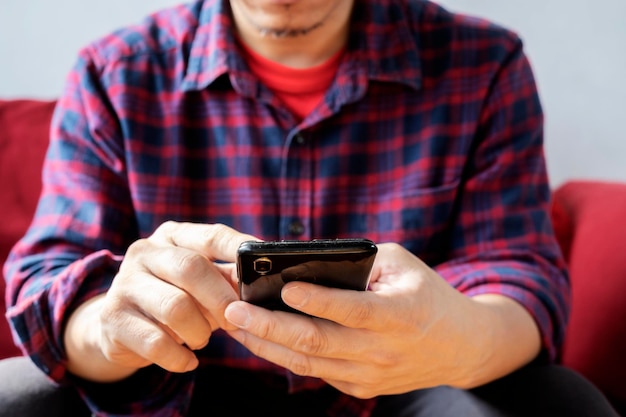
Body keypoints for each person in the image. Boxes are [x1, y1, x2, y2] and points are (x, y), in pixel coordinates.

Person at [1, 0, 620, 415]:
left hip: (405, 392)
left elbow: (520, 271)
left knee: (562, 401)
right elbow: (50, 278)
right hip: (180, 389)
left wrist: (459, 335)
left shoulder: (483, 64)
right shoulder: (114, 74)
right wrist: (110, 327)